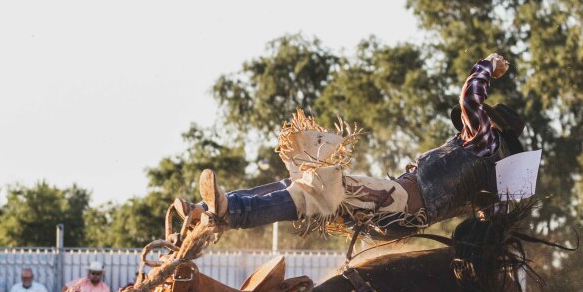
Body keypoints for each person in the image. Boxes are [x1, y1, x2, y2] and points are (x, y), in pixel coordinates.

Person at [199, 52, 527, 233]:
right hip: (399, 217)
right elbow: (492, 226)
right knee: (305, 186)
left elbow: (470, 98)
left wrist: (488, 65)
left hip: (396, 201)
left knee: (319, 189)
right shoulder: (494, 184)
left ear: (494, 127)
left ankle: (233, 211)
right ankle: (216, 209)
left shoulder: (484, 142)